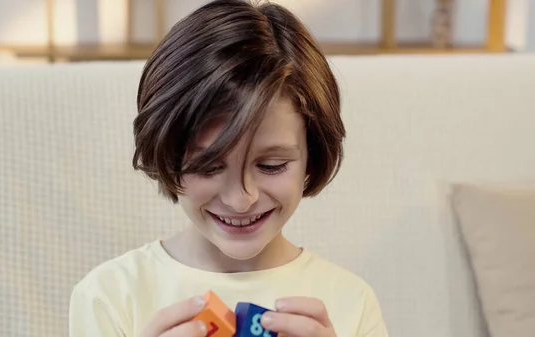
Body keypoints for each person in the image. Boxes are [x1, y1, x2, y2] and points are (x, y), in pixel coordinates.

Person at [69, 1, 389, 337]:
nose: (241, 200)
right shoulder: (109, 296)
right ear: (167, 154)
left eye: (271, 165)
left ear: (313, 153)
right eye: (208, 166)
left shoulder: (351, 302)